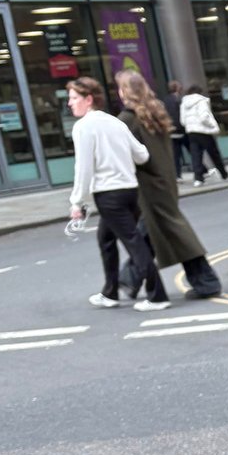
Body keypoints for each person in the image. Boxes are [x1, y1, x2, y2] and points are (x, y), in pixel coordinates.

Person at [115, 71, 223, 300]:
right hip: (164, 182)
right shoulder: (156, 110)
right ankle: (128, 279)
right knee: (151, 233)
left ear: (125, 92)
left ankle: (207, 282)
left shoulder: (128, 119)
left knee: (170, 231)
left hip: (147, 185)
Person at [66, 78, 169, 311]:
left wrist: (77, 202)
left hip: (108, 194)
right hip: (129, 191)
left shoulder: (83, 127)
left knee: (134, 244)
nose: (70, 104)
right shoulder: (116, 122)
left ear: (89, 99)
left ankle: (158, 296)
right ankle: (110, 292)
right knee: (106, 240)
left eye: (74, 98)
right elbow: (142, 155)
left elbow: (83, 168)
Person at [180, 83, 228, 185]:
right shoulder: (201, 101)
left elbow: (183, 120)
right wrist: (213, 126)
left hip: (191, 131)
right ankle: (224, 174)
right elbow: (204, 116)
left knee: (196, 155)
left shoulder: (184, 103)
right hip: (203, 131)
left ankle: (198, 179)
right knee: (214, 154)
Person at [163, 79, 187, 178]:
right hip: (180, 129)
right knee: (194, 150)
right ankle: (202, 170)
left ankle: (177, 174)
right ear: (177, 88)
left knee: (176, 154)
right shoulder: (179, 100)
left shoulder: (166, 100)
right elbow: (177, 115)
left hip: (171, 130)